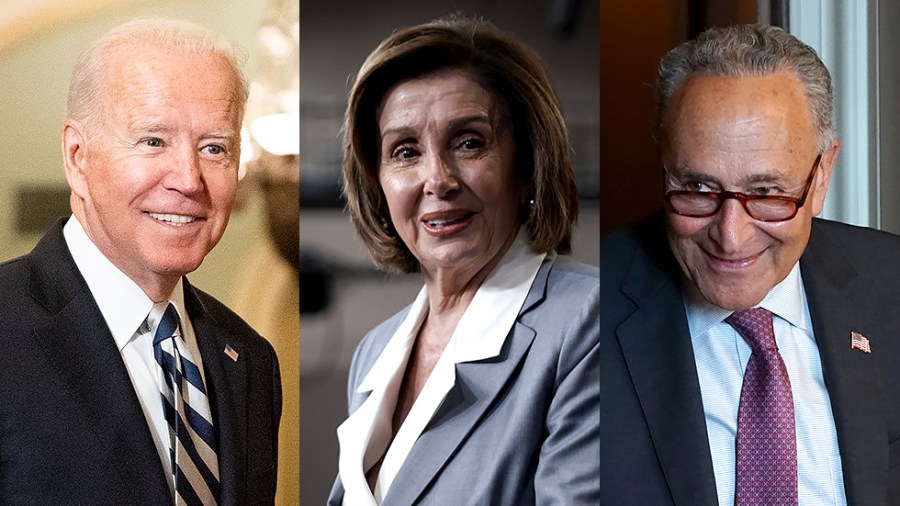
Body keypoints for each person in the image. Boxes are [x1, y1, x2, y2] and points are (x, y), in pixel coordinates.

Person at [601, 24, 900, 505]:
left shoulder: (891, 285)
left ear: (821, 176)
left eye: (766, 194)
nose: (731, 236)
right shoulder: (584, 314)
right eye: (697, 190)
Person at [0, 18, 281, 504]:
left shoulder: (250, 359)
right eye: (153, 141)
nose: (189, 179)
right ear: (77, 156)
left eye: (214, 148)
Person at [328, 16, 599, 505]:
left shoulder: (587, 322)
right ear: (378, 184)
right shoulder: (376, 351)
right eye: (405, 151)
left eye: (468, 142)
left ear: (527, 165)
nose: (438, 179)